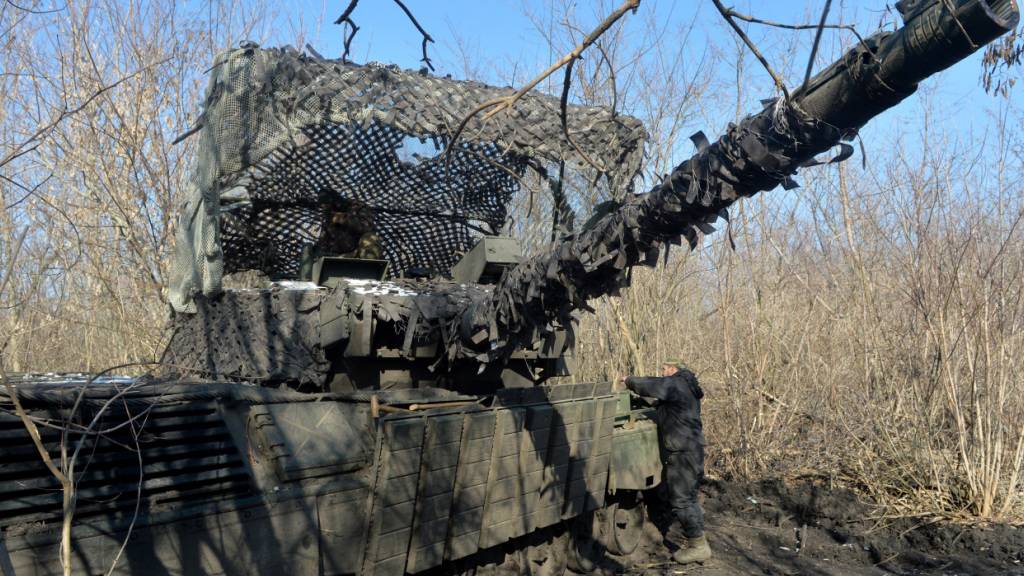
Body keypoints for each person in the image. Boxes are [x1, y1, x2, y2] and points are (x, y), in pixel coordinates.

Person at [617, 361, 711, 565]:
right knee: (689, 497)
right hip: (692, 448)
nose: (663, 372)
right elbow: (667, 406)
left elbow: (654, 385)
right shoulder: (687, 386)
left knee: (682, 500)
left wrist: (629, 380)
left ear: (673, 369)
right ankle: (698, 540)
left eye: (665, 368)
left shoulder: (676, 384)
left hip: (683, 451)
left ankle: (699, 546)